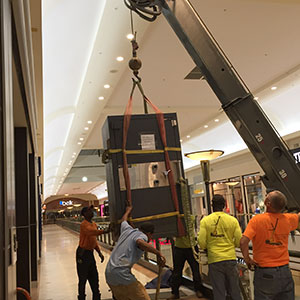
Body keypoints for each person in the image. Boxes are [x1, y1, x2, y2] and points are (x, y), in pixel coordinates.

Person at [240, 190, 300, 300]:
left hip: (265, 273)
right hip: (285, 271)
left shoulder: (257, 220)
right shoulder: (288, 219)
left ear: (268, 204)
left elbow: (243, 241)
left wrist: (247, 259)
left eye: (266, 197)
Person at [105, 206, 166, 300]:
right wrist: (158, 253)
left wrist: (128, 211)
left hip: (109, 273)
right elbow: (139, 242)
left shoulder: (127, 230)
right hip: (122, 274)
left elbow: (123, 220)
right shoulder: (143, 236)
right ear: (149, 233)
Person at [198, 194, 242, 300]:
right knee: (235, 290)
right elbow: (239, 240)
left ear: (212, 206)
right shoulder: (233, 220)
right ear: (224, 205)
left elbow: (202, 242)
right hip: (230, 259)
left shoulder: (205, 221)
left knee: (219, 292)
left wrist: (208, 247)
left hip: (215, 260)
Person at [76, 206, 109, 300]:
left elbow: (93, 240)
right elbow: (91, 232)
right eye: (89, 211)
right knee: (83, 277)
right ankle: (81, 297)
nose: (92, 212)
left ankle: (96, 295)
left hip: (90, 253)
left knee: (94, 276)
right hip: (82, 253)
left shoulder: (94, 224)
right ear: (84, 214)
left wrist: (99, 252)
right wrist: (104, 231)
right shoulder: (84, 224)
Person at [168, 216, 203, 299]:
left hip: (192, 247)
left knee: (195, 270)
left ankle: (198, 290)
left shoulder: (191, 217)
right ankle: (175, 292)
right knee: (177, 272)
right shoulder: (176, 218)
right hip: (179, 248)